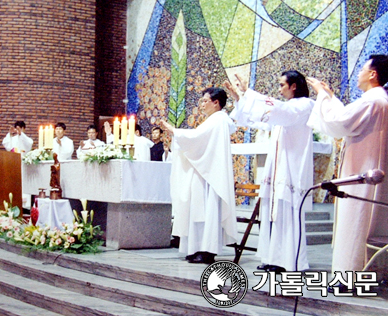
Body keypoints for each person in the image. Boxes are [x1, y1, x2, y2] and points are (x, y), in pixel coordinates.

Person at [307, 55, 388, 283]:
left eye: (363, 68)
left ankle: (349, 279)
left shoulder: (372, 100)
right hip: (371, 172)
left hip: (362, 174)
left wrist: (322, 96)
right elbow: (348, 119)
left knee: (356, 223)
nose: (359, 73)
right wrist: (331, 97)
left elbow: (339, 123)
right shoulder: (379, 100)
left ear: (373, 74)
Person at [224, 70, 315, 273]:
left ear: (294, 86)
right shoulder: (287, 109)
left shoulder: (304, 105)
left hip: (291, 168)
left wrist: (249, 94)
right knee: (272, 214)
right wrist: (241, 99)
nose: (279, 88)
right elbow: (258, 121)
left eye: (282, 84)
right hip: (277, 167)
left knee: (287, 215)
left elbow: (281, 112)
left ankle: (288, 260)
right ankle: (273, 257)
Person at [160, 87, 238, 264]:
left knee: (207, 211)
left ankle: (207, 251)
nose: (202, 105)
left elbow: (196, 137)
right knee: (197, 210)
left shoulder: (218, 120)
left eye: (205, 101)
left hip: (210, 176)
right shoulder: (216, 120)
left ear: (216, 103)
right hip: (204, 171)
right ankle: (196, 248)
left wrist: (175, 131)